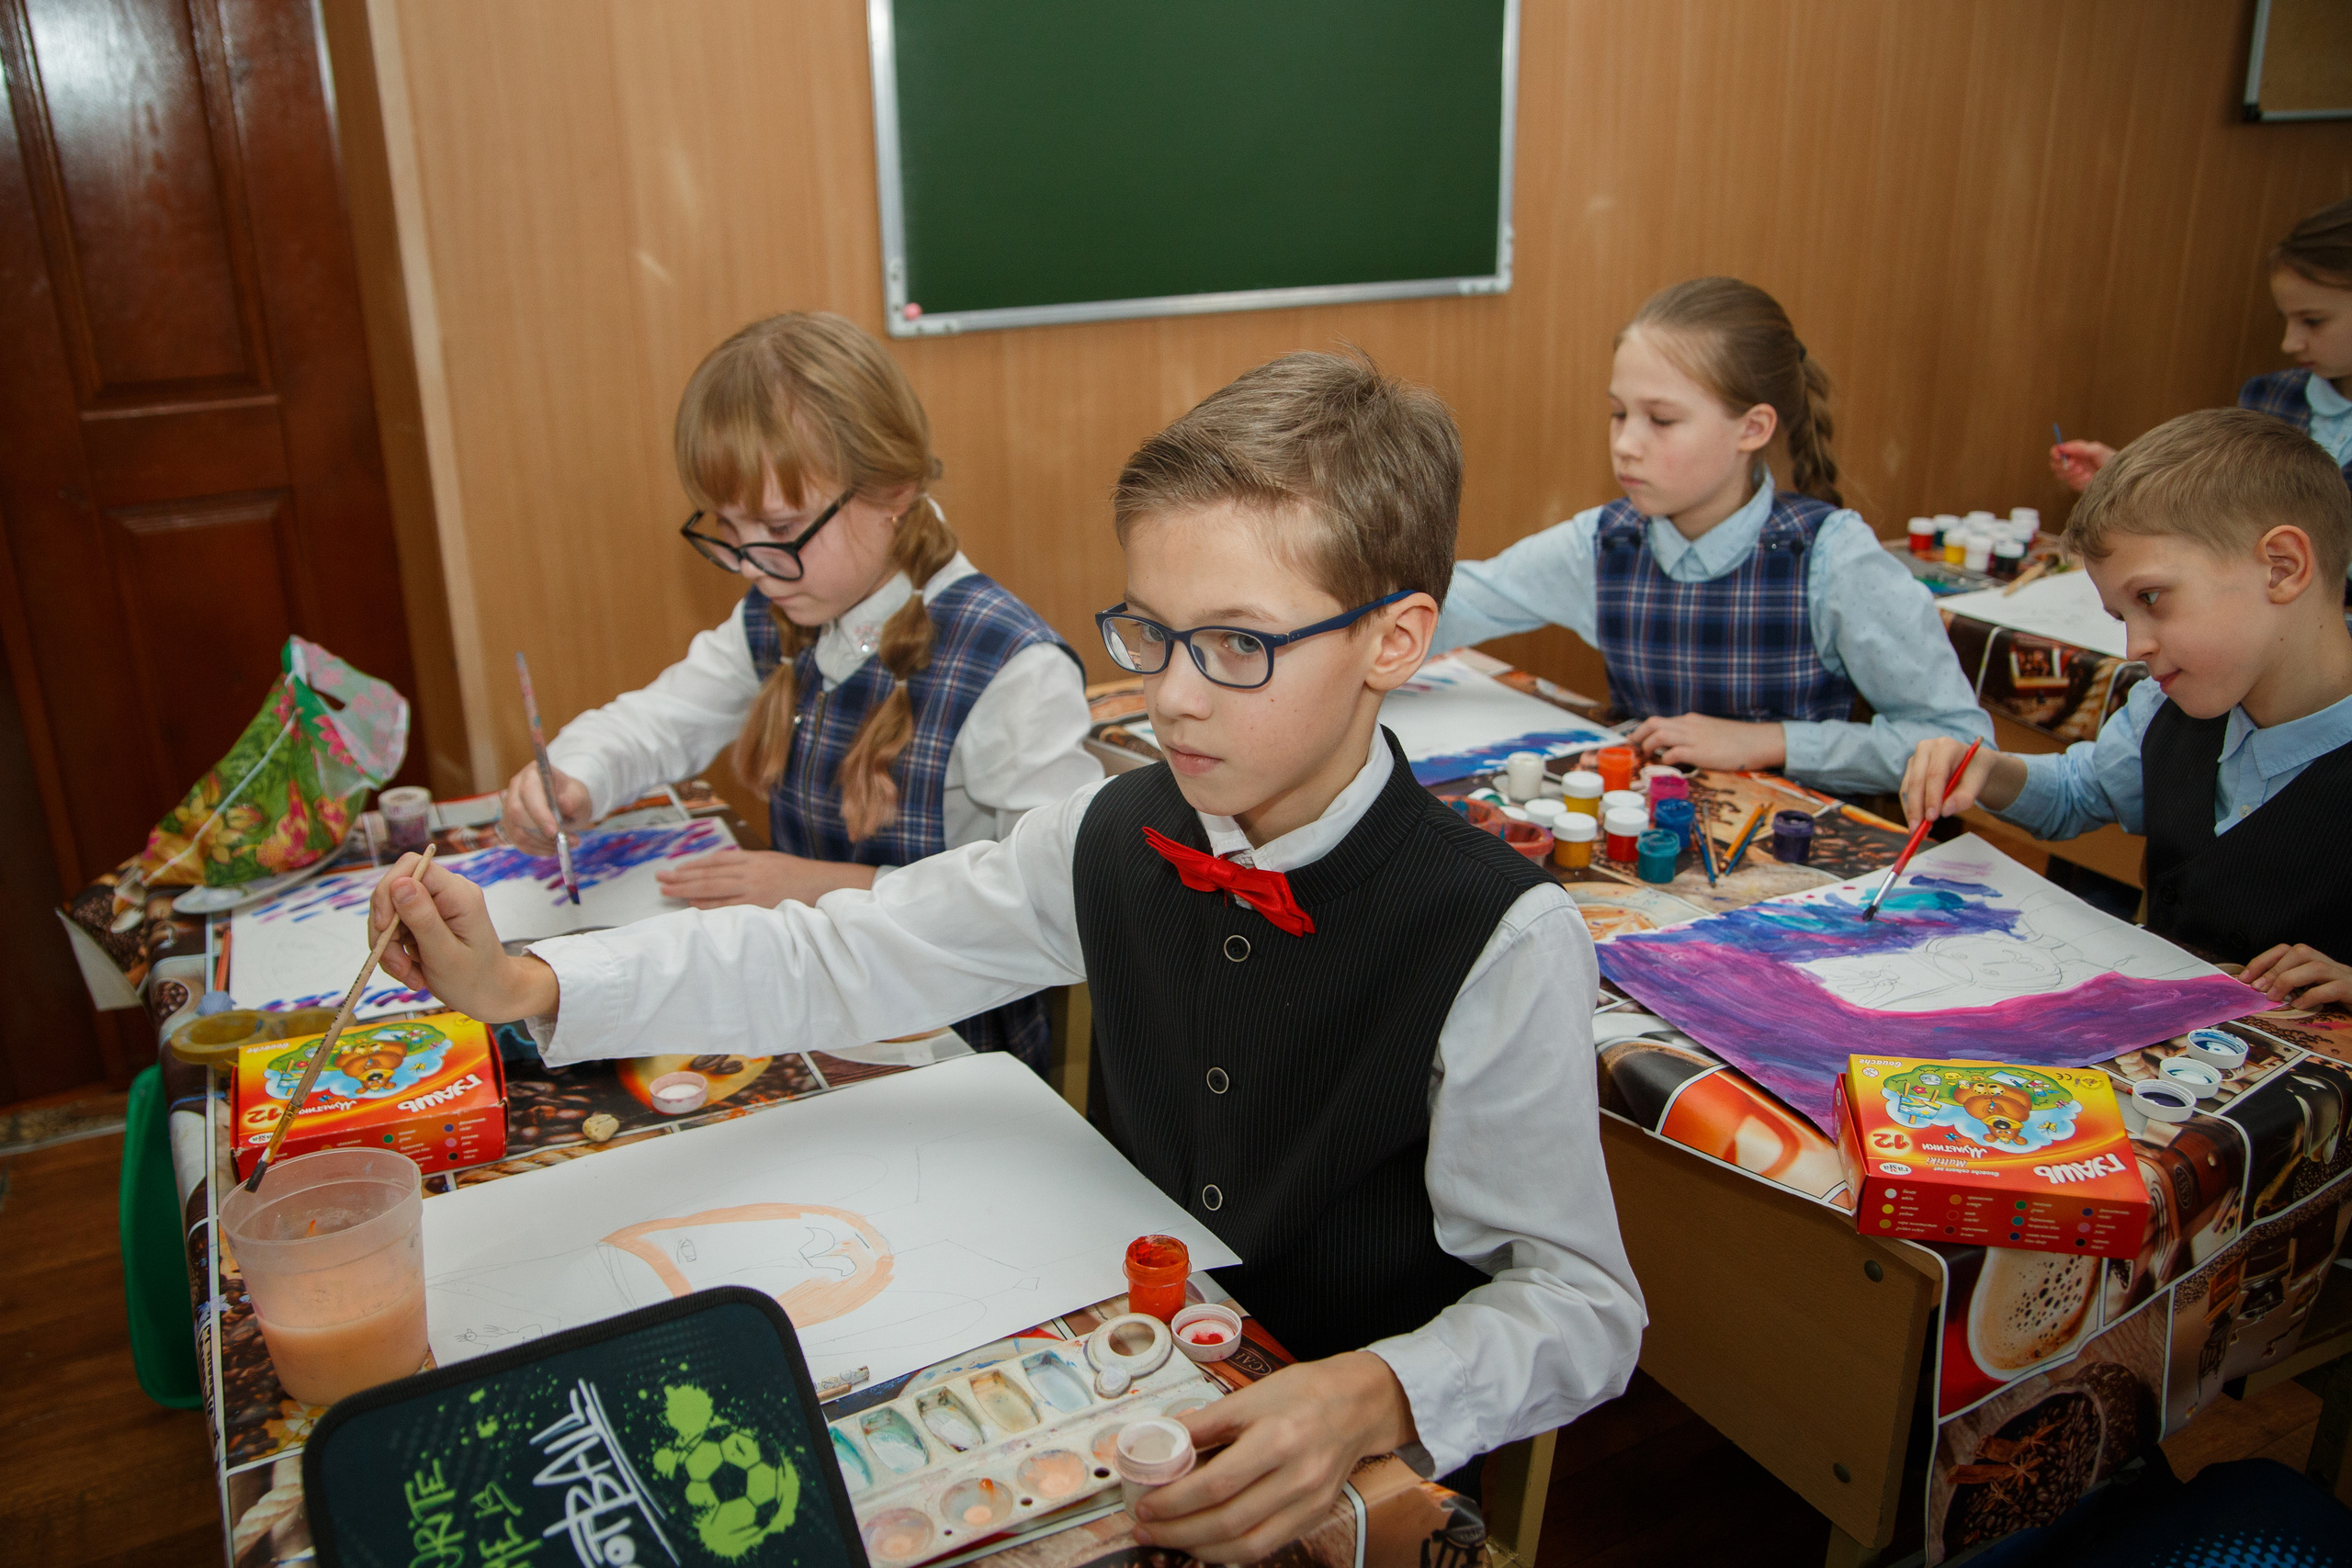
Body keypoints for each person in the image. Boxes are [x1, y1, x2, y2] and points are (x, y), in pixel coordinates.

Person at [371, 351, 1645, 1562]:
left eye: (1239, 645)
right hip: (1116, 1393)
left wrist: (1376, 1390)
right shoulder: (1112, 830)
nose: (1174, 697)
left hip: (1348, 1474)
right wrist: (535, 982)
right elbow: (846, 955)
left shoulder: (1499, 933)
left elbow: (1584, 1307)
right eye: (1149, 632)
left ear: (1394, 639)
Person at [498, 312, 1099, 1071]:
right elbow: (666, 715)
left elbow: (1053, 901)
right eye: (731, 528)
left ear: (893, 489)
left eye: (778, 527)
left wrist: (823, 887)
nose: (751, 563)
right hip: (799, 1007)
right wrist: (580, 771)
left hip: (946, 1047)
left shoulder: (1010, 664)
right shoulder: (786, 603)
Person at [1430, 276, 1989, 797]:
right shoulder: (1601, 546)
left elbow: (1962, 745)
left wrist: (1772, 742)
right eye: (1618, 414)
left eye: (1662, 420)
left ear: (1753, 428)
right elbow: (1446, 608)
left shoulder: (1834, 559)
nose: (1626, 443)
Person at [1905, 408, 2352, 1008]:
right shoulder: (2166, 706)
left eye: (2151, 598)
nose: (2133, 646)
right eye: (2121, 616)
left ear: (2283, 567)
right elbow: (2076, 793)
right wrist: (1987, 769)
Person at [2052, 197, 2352, 513]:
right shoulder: (2269, 397)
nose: (2289, 344)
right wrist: (2123, 481)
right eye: (2285, 318)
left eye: (2313, 321)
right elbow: (2224, 514)